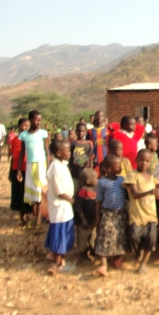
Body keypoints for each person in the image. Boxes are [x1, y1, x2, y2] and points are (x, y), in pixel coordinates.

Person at [124, 149, 159, 274]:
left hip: (150, 214)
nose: (144, 163)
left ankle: (143, 264)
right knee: (134, 236)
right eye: (141, 160)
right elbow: (134, 194)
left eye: (147, 161)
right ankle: (138, 251)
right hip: (137, 214)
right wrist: (149, 192)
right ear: (136, 160)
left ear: (150, 162)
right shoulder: (132, 175)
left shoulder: (152, 177)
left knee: (151, 239)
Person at [44, 140, 75, 275]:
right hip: (60, 205)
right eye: (67, 150)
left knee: (64, 232)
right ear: (58, 153)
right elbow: (59, 191)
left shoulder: (61, 164)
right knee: (59, 234)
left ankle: (60, 258)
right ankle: (57, 261)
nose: (70, 152)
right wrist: (72, 200)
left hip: (64, 206)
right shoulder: (55, 168)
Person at [94, 155, 128, 276]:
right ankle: (103, 265)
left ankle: (117, 259)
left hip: (120, 214)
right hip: (107, 213)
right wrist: (97, 216)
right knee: (105, 238)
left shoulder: (122, 180)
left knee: (119, 237)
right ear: (109, 169)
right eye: (117, 165)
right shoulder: (102, 182)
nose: (120, 167)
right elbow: (98, 200)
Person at [17, 110, 48, 227]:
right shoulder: (23, 135)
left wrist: (48, 166)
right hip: (30, 165)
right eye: (36, 120)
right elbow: (21, 152)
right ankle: (35, 216)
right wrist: (19, 169)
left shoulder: (43, 133)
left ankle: (39, 218)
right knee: (31, 191)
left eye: (40, 120)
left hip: (41, 164)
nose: (39, 122)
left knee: (40, 190)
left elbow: (47, 150)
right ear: (30, 120)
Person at [9, 118, 32, 225]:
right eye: (24, 125)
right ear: (19, 126)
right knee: (19, 194)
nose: (26, 127)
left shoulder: (31, 139)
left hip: (29, 170)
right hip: (17, 170)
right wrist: (11, 172)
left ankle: (29, 214)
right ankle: (22, 217)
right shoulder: (15, 140)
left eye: (28, 125)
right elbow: (14, 157)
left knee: (29, 193)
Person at [73, 168, 98, 264]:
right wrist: (83, 220)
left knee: (93, 238)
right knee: (82, 239)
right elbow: (78, 207)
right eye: (95, 178)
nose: (97, 179)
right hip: (83, 222)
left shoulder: (93, 191)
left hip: (92, 221)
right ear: (88, 180)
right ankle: (82, 256)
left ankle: (90, 253)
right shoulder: (82, 191)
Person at [70, 123, 94, 192]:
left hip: (85, 172)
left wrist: (90, 171)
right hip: (75, 173)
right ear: (76, 131)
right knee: (76, 190)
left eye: (83, 131)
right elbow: (70, 159)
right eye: (79, 131)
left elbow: (91, 158)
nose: (80, 133)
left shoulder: (89, 144)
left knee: (86, 191)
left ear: (86, 132)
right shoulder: (72, 144)